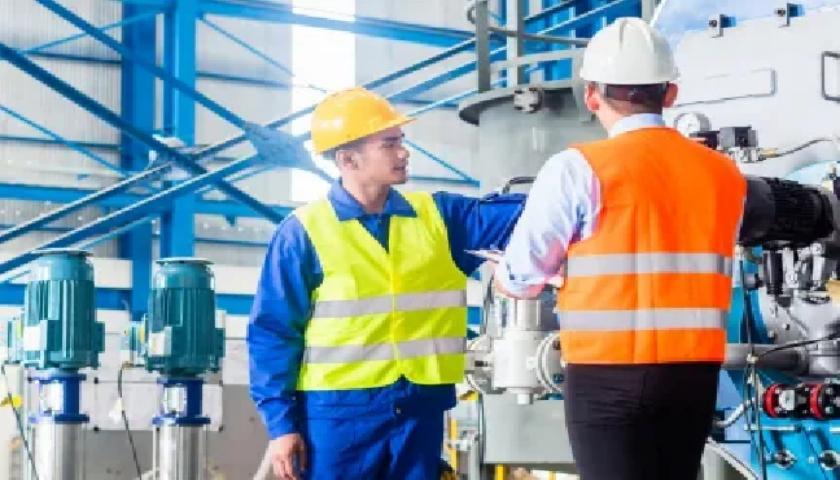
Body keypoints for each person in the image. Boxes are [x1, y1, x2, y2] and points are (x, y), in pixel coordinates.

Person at [493, 18, 746, 480]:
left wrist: (507, 277)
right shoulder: (725, 174)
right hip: (692, 376)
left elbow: (522, 276)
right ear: (670, 93)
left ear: (591, 96)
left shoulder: (576, 168)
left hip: (605, 376)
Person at [248, 87, 524, 480]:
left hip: (419, 411)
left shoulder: (441, 218)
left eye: (401, 141)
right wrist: (281, 426)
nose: (404, 152)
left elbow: (533, 215)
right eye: (389, 144)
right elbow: (273, 333)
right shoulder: (302, 233)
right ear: (348, 159)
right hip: (336, 417)